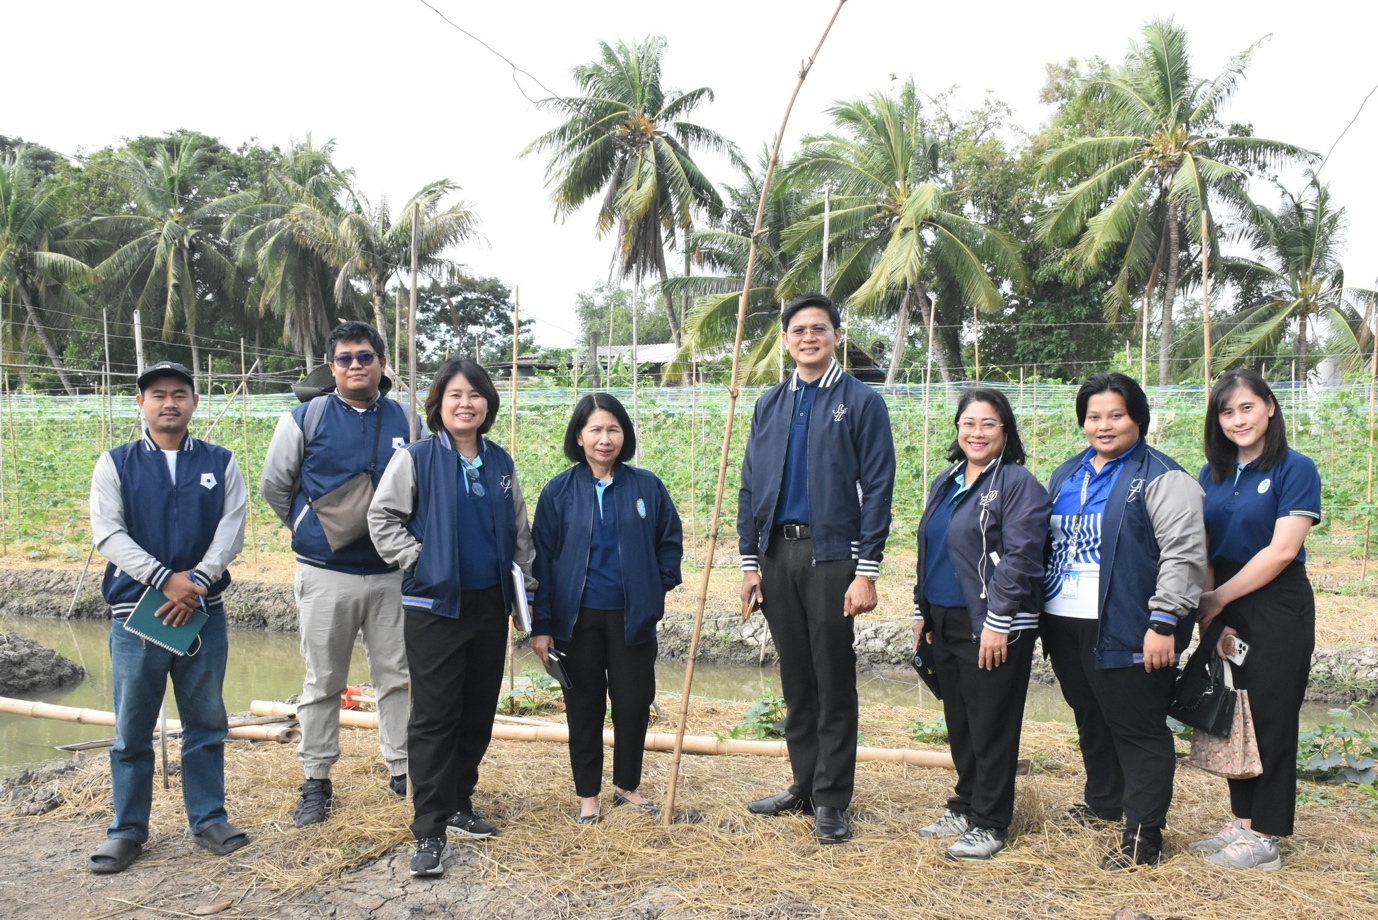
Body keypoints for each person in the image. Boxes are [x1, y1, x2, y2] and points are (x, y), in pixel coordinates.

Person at [737, 292, 896, 844]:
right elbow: (751, 486)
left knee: (832, 676)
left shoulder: (859, 402)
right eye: (799, 329)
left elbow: (878, 489)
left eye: (819, 329)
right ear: (785, 339)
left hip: (832, 556)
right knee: (796, 678)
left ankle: (832, 798)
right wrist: (750, 564)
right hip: (777, 556)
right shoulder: (770, 403)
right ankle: (803, 783)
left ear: (835, 337)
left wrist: (866, 569)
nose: (809, 337)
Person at [369, 358, 536, 878]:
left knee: (477, 709)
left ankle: (462, 801)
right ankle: (430, 828)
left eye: (476, 395)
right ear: (438, 405)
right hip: (436, 607)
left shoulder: (500, 463)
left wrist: (524, 592)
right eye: (455, 395)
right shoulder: (416, 458)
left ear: (488, 404)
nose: (467, 404)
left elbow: (519, 532)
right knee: (435, 715)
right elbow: (383, 518)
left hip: (489, 603)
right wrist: (421, 559)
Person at [86, 361, 248, 873]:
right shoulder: (116, 464)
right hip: (137, 612)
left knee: (205, 721)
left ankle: (208, 817)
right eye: (158, 395)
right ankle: (127, 830)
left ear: (194, 402)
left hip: (202, 609)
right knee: (132, 729)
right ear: (141, 403)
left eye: (180, 393)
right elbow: (108, 534)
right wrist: (163, 577)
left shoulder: (220, 462)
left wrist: (196, 580)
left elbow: (232, 528)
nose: (169, 403)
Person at [1041, 372, 1206, 869]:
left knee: (1138, 728)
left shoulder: (1162, 476)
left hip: (1130, 623)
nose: (1104, 425)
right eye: (1094, 416)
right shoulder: (1067, 474)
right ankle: (1104, 802)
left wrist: (1164, 621)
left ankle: (1144, 835)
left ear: (1138, 417)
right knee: (1092, 716)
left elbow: (1184, 554)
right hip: (1066, 622)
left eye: (1116, 414)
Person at [261, 321, 416, 827]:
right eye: (346, 358)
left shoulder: (407, 420)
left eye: (366, 357)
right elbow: (276, 488)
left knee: (398, 678)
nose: (356, 365)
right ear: (331, 367)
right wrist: (312, 528)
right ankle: (317, 778)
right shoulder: (305, 418)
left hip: (392, 574)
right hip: (325, 573)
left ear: (382, 363)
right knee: (323, 679)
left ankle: (403, 768)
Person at [528, 394, 683, 824]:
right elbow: (541, 561)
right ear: (579, 436)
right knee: (584, 707)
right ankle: (588, 797)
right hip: (575, 621)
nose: (604, 438)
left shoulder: (645, 486)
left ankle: (627, 786)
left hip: (632, 618)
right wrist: (542, 626)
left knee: (634, 702)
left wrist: (654, 586)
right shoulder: (559, 491)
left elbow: (669, 541)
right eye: (595, 429)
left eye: (613, 429)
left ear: (624, 435)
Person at [1190, 369, 1320, 871]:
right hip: (1224, 602)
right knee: (1234, 713)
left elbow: (1283, 551)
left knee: (1271, 714)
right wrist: (1207, 603)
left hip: (1276, 604)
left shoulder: (1294, 468)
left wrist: (1217, 597)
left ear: (1269, 407)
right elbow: (1203, 547)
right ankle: (1241, 823)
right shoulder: (1213, 474)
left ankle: (1266, 835)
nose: (1238, 419)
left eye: (1247, 407)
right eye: (1227, 412)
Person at [912, 388, 1050, 860]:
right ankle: (966, 804)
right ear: (957, 428)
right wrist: (920, 611)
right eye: (968, 422)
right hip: (945, 619)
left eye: (988, 423)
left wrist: (998, 621)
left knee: (992, 723)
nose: (977, 432)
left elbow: (1022, 558)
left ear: (1005, 431)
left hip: (993, 622)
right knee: (961, 722)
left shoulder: (1017, 483)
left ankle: (991, 822)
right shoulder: (947, 480)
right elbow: (929, 548)